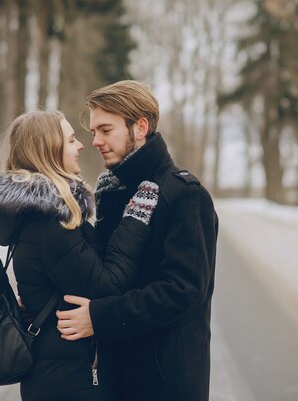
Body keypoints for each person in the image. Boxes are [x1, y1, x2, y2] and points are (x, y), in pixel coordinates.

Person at [0, 110, 159, 401]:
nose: (81, 145)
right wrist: (134, 219)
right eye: (71, 139)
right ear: (48, 151)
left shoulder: (38, 216)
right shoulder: (51, 223)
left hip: (59, 376)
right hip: (72, 383)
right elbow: (107, 286)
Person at [56, 80, 219, 401]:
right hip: (115, 377)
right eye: (92, 133)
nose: (96, 141)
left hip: (165, 383)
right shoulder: (113, 194)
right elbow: (102, 275)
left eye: (105, 130)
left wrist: (100, 317)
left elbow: (183, 291)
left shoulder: (185, 195)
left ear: (140, 127)